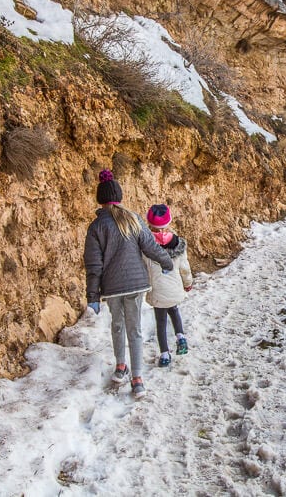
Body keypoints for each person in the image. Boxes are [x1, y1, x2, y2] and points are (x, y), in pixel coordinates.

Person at [84, 169, 173, 399]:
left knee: (117, 325)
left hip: (112, 287)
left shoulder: (96, 227)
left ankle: (121, 366)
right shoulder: (133, 219)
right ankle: (138, 379)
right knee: (135, 330)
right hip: (136, 285)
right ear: (119, 197)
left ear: (100, 200)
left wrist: (93, 296)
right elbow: (151, 247)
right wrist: (166, 262)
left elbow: (94, 265)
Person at [144, 204, 193, 367]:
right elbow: (185, 268)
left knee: (161, 322)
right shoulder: (178, 243)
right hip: (174, 289)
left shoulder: (145, 246)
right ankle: (181, 338)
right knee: (174, 310)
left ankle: (165, 354)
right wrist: (188, 284)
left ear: (149, 224)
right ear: (169, 222)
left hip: (158, 292)